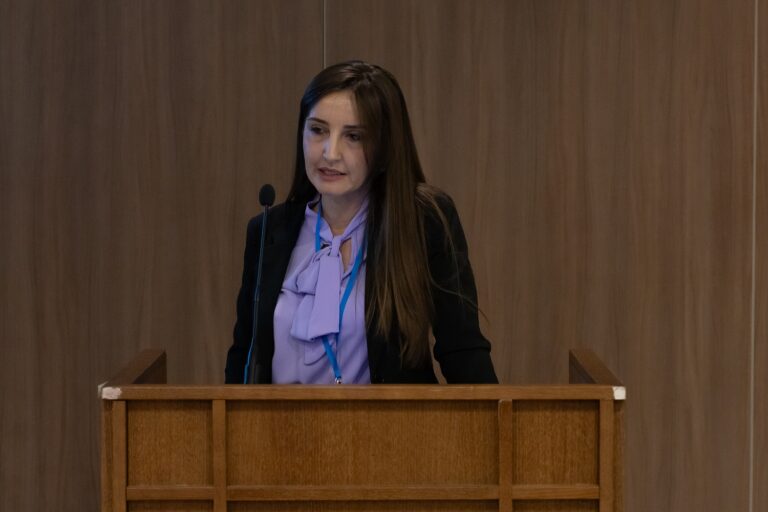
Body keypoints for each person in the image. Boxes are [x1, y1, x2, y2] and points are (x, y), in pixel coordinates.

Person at [225, 60, 497, 384]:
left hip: (390, 418)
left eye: (353, 136)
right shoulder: (268, 230)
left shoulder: (423, 222)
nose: (330, 153)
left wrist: (494, 413)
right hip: (277, 418)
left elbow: (463, 352)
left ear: (385, 146)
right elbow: (243, 355)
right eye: (318, 130)